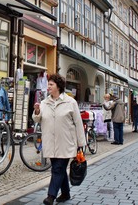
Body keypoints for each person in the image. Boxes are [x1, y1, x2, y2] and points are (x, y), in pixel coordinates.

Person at [33, 73, 85, 205]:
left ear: (59, 86)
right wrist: (37, 111)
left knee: (57, 169)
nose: (48, 86)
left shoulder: (70, 102)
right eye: (48, 84)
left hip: (66, 142)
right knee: (59, 169)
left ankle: (51, 196)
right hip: (51, 141)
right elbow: (37, 119)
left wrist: (81, 143)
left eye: (51, 84)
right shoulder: (45, 102)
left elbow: (78, 123)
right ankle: (66, 193)